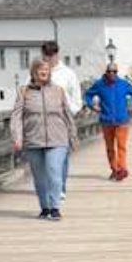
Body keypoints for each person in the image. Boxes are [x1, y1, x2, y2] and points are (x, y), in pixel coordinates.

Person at [11, 58, 78, 221]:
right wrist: (17, 137)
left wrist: (73, 136)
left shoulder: (58, 91)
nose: (44, 72)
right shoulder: (24, 92)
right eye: (41, 70)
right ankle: (45, 207)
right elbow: (16, 116)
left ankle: (55, 208)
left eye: (47, 70)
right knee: (40, 177)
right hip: (33, 140)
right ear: (33, 72)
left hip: (57, 138)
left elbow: (67, 115)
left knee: (54, 172)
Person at [84, 62, 132, 181]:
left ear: (117, 72)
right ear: (106, 72)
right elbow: (88, 95)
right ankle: (115, 169)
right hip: (106, 121)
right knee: (110, 148)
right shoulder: (99, 84)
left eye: (114, 71)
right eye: (109, 71)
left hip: (122, 120)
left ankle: (122, 169)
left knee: (121, 146)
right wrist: (92, 106)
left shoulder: (123, 84)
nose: (112, 73)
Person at [41, 41, 81, 201]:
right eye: (46, 54)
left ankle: (60, 187)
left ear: (57, 54)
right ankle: (49, 186)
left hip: (62, 121)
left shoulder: (68, 74)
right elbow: (26, 93)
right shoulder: (36, 72)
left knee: (61, 156)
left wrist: (69, 112)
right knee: (44, 157)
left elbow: (77, 99)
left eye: (51, 54)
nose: (48, 57)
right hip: (41, 121)